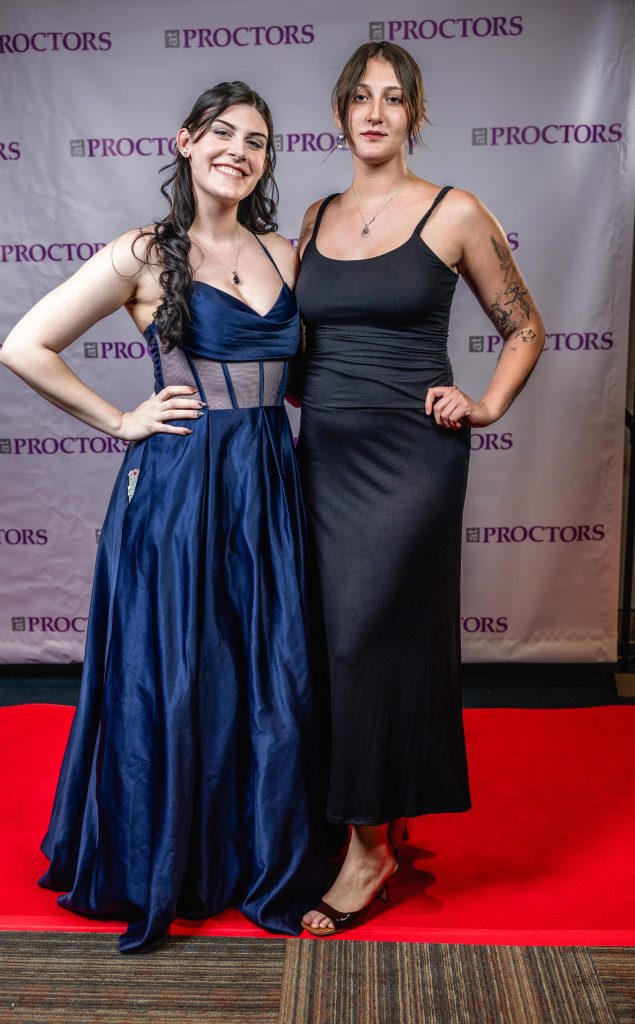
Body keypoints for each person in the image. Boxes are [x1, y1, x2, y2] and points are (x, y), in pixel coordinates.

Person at [0, 81, 327, 953]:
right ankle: (169, 862)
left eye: (256, 141)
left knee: (270, 671)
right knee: (179, 670)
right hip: (181, 488)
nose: (238, 152)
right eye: (222, 133)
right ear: (185, 142)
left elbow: (315, 369)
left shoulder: (285, 253)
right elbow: (24, 345)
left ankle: (258, 857)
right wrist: (118, 420)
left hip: (269, 479)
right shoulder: (144, 251)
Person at [295, 41, 545, 936]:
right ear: (338, 113)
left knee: (363, 639)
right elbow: (298, 341)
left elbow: (525, 327)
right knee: (336, 644)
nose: (375, 112)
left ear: (415, 115)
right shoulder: (314, 217)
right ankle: (377, 810)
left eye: (392, 98)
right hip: (321, 460)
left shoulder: (454, 211)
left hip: (411, 461)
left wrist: (485, 403)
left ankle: (367, 852)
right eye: (360, 97)